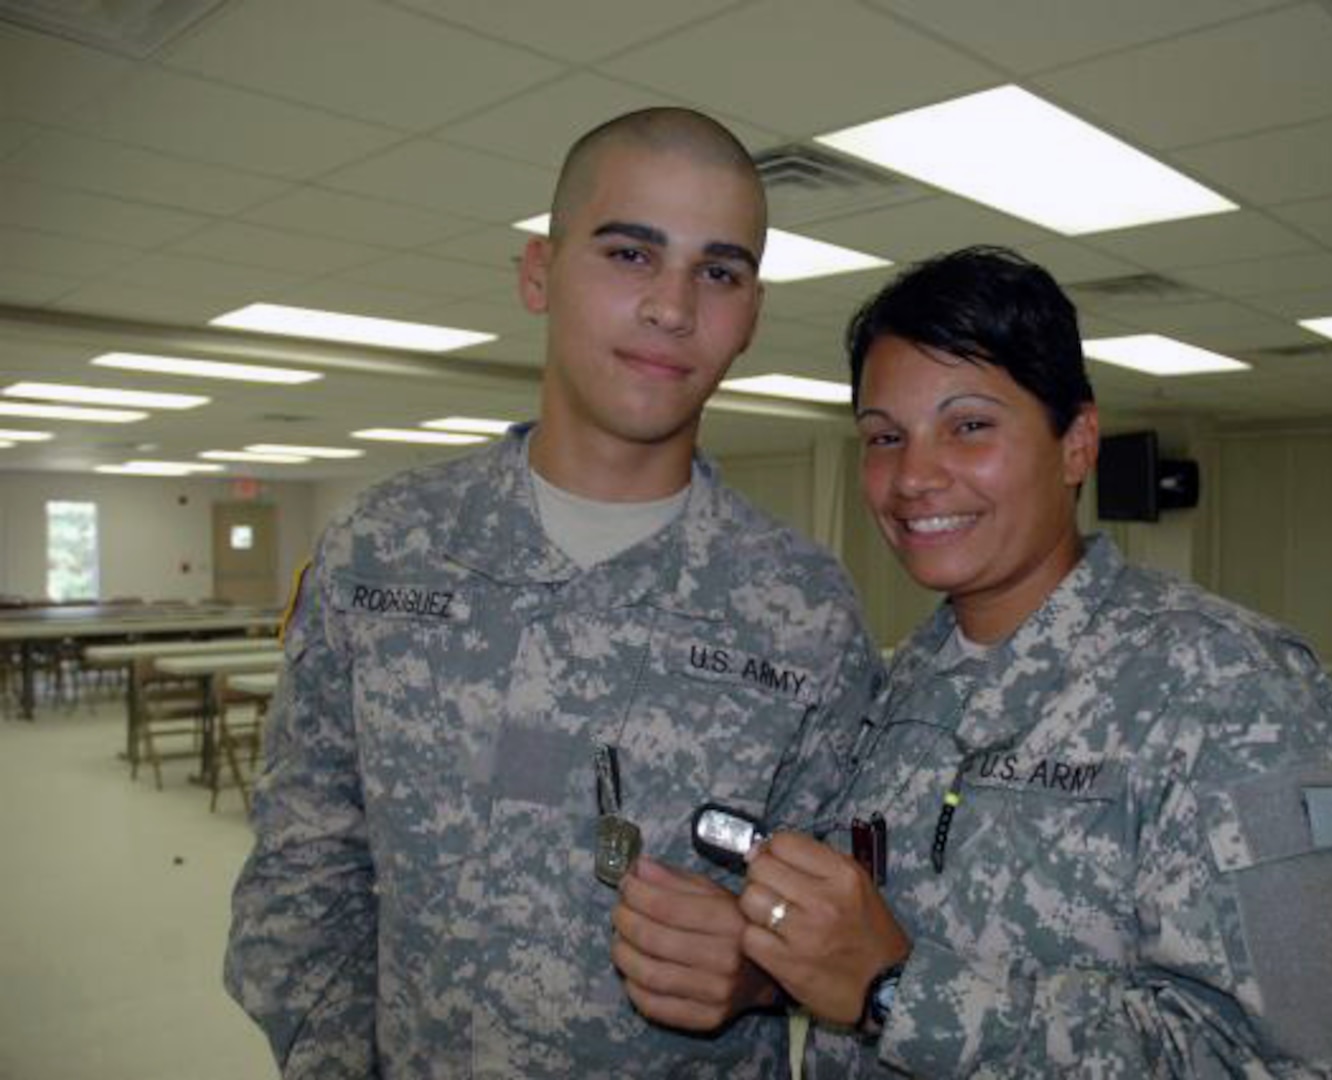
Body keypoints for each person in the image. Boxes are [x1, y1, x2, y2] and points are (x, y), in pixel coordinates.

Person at [617, 247, 1332, 1076]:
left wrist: (899, 993)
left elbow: (1301, 1062)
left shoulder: (1234, 686)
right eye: (885, 437)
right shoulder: (908, 680)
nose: (914, 476)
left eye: (969, 426)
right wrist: (769, 967)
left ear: (1077, 444)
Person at [224, 107, 880, 1079]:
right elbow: (303, 868)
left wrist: (759, 975)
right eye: (629, 253)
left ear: (752, 313)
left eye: (719, 271)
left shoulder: (805, 612)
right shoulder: (388, 552)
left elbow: (848, 929)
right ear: (539, 272)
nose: (672, 306)